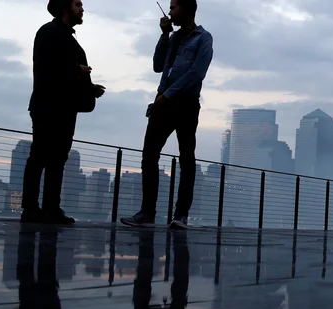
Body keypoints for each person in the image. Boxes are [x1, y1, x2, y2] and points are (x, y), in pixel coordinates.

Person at [121, 0, 213, 229]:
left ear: (187, 9)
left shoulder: (204, 38)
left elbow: (197, 73)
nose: (170, 11)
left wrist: (167, 95)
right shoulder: (173, 38)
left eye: (173, 7)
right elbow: (157, 66)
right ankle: (147, 213)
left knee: (186, 158)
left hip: (185, 103)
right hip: (163, 102)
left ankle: (180, 215)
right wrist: (163, 36)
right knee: (149, 155)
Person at [21, 0, 106, 225]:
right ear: (66, 8)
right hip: (48, 106)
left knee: (57, 159)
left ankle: (50, 208)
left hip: (64, 107)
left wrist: (89, 87)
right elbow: (45, 66)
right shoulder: (48, 32)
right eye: (78, 4)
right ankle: (31, 209)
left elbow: (61, 72)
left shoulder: (66, 36)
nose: (82, 9)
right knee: (40, 157)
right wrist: (76, 70)